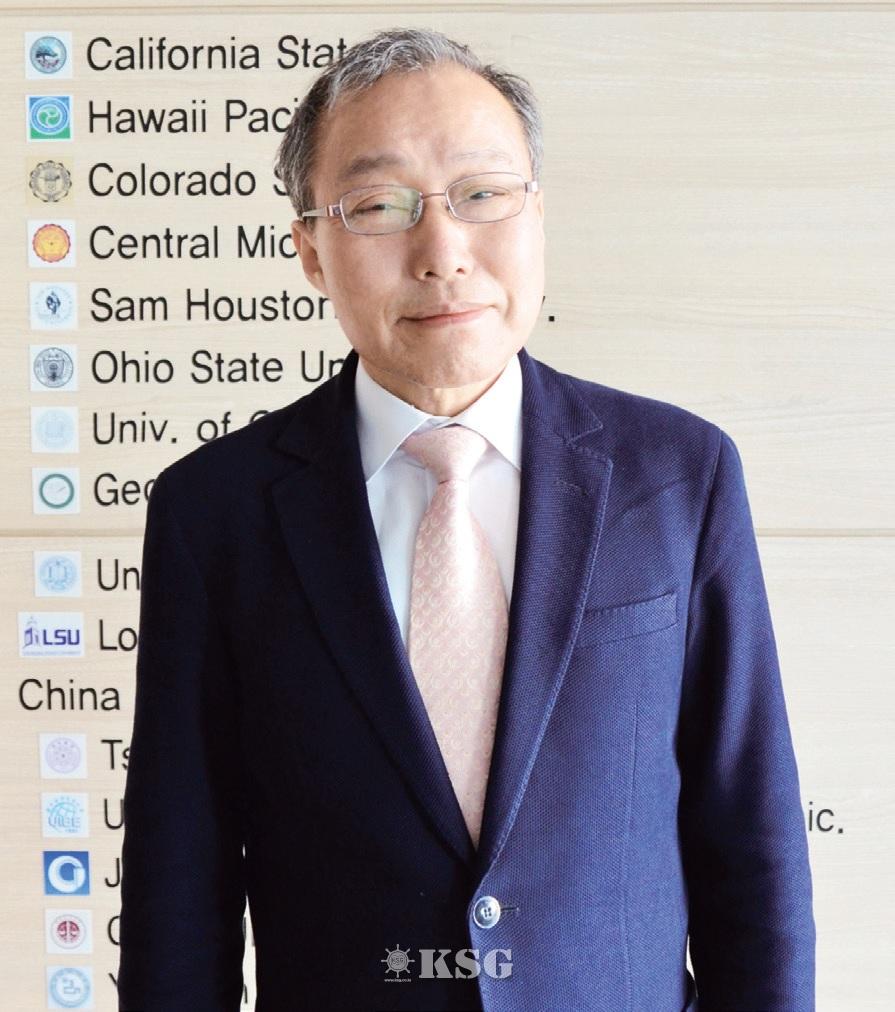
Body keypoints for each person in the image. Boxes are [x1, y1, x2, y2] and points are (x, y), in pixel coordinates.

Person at [117, 27, 815, 1012]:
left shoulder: (675, 474)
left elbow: (750, 835)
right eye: (378, 206)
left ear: (538, 216)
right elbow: (178, 880)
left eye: (482, 194)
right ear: (309, 248)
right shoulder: (215, 512)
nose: (441, 252)